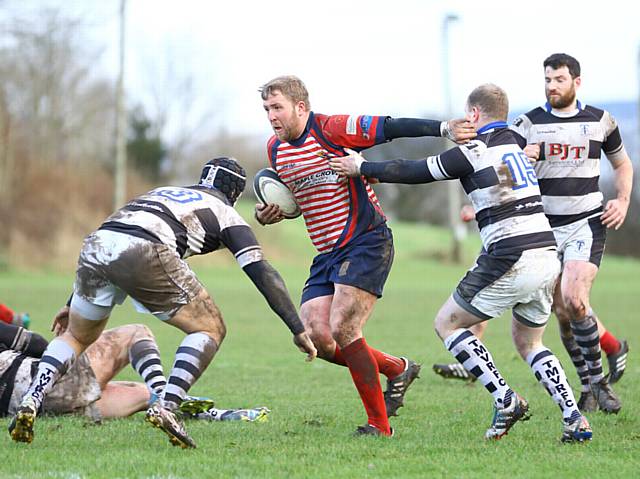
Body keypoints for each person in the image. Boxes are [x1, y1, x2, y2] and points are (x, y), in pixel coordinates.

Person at [330, 83, 592, 443]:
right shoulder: (513, 142)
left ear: (473, 115)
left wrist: (362, 166)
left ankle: (505, 399)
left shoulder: (476, 148)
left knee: (448, 323)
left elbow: (417, 170)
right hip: (547, 254)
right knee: (530, 343)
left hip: (510, 253)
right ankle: (574, 419)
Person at [9, 157, 316, 448]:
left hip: (97, 245)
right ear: (234, 193)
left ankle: (31, 401)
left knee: (76, 336)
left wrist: (72, 299)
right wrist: (296, 326)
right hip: (145, 250)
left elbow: (116, 233)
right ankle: (166, 407)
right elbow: (262, 271)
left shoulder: (164, 192)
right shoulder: (227, 213)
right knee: (211, 329)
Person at [256, 75, 476, 436]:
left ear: (300, 106)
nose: (271, 116)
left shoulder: (331, 129)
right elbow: (295, 200)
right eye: (266, 109)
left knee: (344, 327)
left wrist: (443, 128)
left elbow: (389, 127)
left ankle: (379, 425)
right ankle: (397, 368)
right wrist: (271, 212)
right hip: (326, 252)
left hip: (366, 240)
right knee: (319, 339)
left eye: (277, 107)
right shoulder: (275, 150)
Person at [509, 53, 632, 414]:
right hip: (542, 227)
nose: (551, 86)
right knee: (563, 311)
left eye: (559, 79)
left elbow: (622, 163)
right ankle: (589, 387)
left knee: (575, 299)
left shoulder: (600, 120)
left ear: (576, 82)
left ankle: (601, 385)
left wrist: (622, 200)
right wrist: (520, 159)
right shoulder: (527, 124)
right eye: (547, 80)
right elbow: (502, 169)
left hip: (587, 221)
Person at [0, 318, 269, 422]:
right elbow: (33, 343)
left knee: (139, 393)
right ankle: (167, 400)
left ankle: (221, 416)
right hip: (38, 386)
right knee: (135, 333)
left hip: (37, 408)